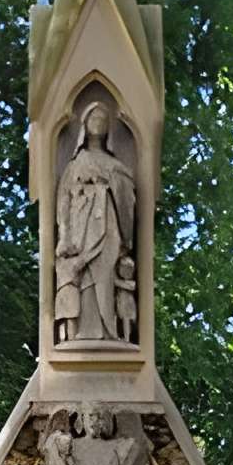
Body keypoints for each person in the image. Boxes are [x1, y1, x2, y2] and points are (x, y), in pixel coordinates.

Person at [54, 99, 136, 341]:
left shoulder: (115, 165)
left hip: (108, 227)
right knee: (84, 277)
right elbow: (63, 202)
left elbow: (128, 196)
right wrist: (66, 235)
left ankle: (109, 331)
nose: (98, 123)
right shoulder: (75, 164)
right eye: (94, 118)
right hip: (82, 230)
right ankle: (82, 331)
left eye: (103, 119)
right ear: (85, 124)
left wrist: (110, 185)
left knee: (106, 275)